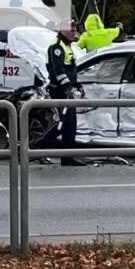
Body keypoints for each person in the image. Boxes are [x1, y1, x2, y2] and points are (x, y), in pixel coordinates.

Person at [41, 20, 83, 166]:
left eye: (75, 29)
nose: (74, 31)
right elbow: (58, 71)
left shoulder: (67, 46)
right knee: (61, 124)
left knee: (69, 126)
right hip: (60, 92)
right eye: (71, 29)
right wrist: (68, 88)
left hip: (67, 91)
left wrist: (77, 84)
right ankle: (37, 148)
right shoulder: (57, 47)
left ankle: (67, 158)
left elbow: (70, 70)